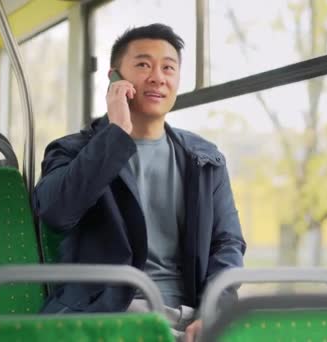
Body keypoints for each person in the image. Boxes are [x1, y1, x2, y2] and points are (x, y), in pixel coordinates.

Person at [33, 23, 246, 341]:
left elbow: (227, 245)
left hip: (192, 316)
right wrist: (115, 132)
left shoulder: (205, 159)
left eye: (168, 68)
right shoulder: (72, 151)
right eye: (143, 64)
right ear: (115, 78)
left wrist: (213, 312)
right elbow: (56, 212)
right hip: (109, 314)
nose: (158, 77)